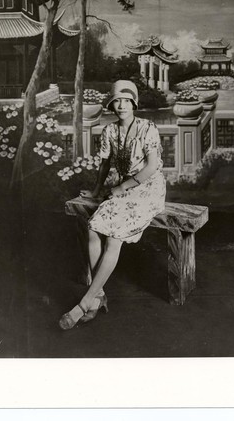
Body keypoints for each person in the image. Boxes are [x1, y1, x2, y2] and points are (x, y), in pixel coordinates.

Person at [59, 80, 166, 330]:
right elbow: (105, 165)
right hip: (122, 190)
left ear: (134, 103)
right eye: (116, 101)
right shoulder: (109, 131)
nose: (121, 106)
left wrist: (122, 188)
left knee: (114, 237)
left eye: (126, 101)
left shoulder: (148, 128)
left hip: (148, 188)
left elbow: (151, 167)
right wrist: (97, 190)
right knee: (93, 227)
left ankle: (86, 303)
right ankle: (99, 295)